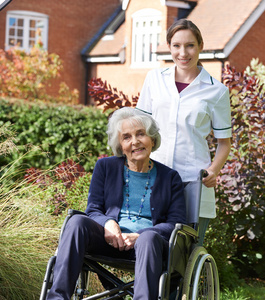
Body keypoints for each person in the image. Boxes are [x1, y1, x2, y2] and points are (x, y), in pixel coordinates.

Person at [47, 107, 186, 300]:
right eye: (126, 137)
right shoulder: (105, 167)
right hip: (107, 240)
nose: (135, 141)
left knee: (148, 239)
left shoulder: (170, 178)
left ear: (152, 139)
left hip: (147, 248)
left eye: (141, 134)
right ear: (120, 146)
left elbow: (176, 223)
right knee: (77, 222)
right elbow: (93, 209)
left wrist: (141, 235)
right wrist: (108, 223)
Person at [136, 19, 232, 245]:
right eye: (176, 45)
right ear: (169, 47)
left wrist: (213, 170)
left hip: (193, 181)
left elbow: (224, 142)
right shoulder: (154, 79)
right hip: (152, 176)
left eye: (190, 45)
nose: (183, 52)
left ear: (200, 45)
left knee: (184, 252)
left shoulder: (217, 91)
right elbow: (139, 127)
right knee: (147, 243)